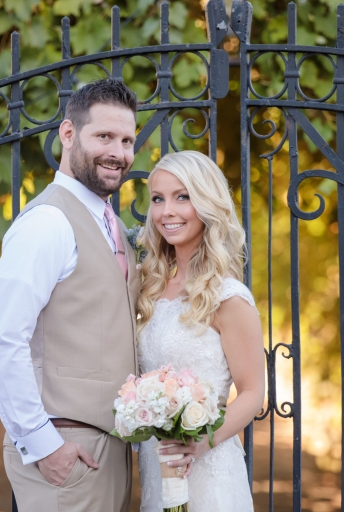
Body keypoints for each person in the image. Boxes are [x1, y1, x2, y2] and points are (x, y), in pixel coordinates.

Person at [0, 78, 140, 512]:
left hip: (107, 451)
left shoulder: (112, 225)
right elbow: (2, 338)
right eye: (104, 136)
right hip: (65, 449)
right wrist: (43, 444)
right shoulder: (48, 223)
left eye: (127, 140)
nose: (118, 152)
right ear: (68, 135)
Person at [136, 150, 265, 511]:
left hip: (210, 469)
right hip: (157, 465)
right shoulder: (150, 288)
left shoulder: (228, 296)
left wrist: (202, 443)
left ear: (207, 204)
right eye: (158, 199)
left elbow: (253, 392)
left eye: (182, 197)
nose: (167, 212)